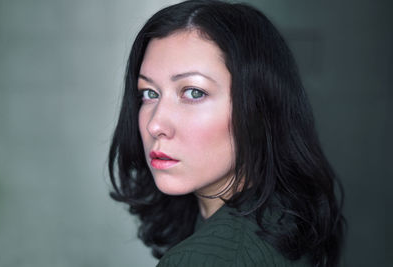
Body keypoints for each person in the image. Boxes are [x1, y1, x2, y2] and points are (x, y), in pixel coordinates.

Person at [108, 0, 346, 266]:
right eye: (149, 93)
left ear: (259, 108)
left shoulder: (202, 259)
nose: (155, 125)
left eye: (194, 92)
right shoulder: (288, 219)